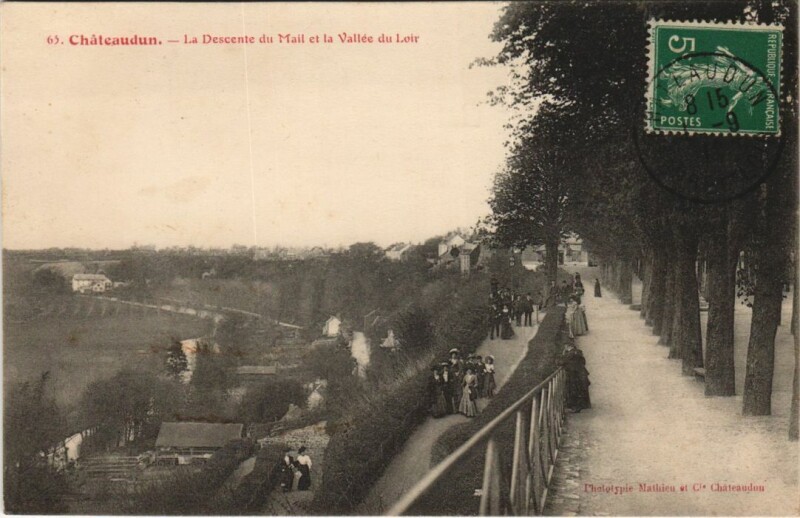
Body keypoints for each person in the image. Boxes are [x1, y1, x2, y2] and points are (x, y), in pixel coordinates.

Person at [560, 343, 591, 412]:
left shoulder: (570, 354)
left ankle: (576, 408)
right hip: (582, 373)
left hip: (574, 375)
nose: (565, 348)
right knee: (582, 389)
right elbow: (584, 362)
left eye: (565, 347)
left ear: (568, 346)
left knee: (574, 390)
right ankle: (585, 405)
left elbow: (561, 362)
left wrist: (563, 354)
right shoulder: (579, 352)